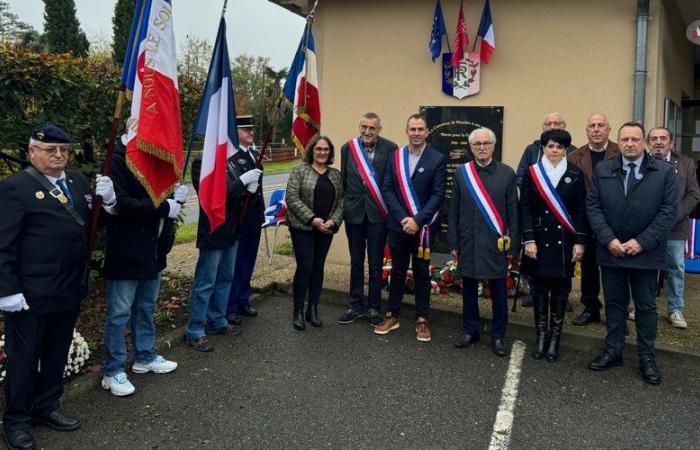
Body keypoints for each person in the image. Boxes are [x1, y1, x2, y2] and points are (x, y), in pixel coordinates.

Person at [0, 125, 116, 450]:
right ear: (32, 151)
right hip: (29, 294)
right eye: (50, 149)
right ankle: (17, 421)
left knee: (55, 353)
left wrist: (107, 203)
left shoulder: (77, 181)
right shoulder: (15, 188)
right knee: (24, 358)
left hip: (68, 287)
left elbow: (90, 225)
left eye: (63, 149)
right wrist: (6, 290)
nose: (59, 155)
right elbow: (3, 244)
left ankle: (46, 406)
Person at [587, 121, 678, 385]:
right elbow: (593, 206)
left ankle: (647, 358)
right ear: (618, 141)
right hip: (612, 251)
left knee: (646, 307)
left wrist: (641, 242)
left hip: (645, 254)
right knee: (614, 304)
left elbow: (668, 212)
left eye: (635, 139)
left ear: (644, 143)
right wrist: (608, 239)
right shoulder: (604, 169)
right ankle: (613, 350)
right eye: (625, 139)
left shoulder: (663, 172)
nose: (630, 144)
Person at [100, 137, 183, 396]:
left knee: (146, 306)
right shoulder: (118, 159)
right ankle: (112, 370)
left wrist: (174, 199)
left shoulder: (155, 155)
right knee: (119, 313)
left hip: (153, 249)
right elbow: (122, 204)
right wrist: (163, 208)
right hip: (128, 250)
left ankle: (145, 356)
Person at [448, 127, 520, 356]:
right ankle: (470, 330)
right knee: (468, 290)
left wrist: (514, 246)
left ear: (493, 146)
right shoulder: (462, 174)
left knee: (499, 293)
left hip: (496, 243)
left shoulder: (507, 173)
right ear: (471, 147)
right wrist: (453, 243)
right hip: (469, 241)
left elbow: (513, 213)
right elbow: (454, 211)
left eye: (486, 143)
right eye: (477, 144)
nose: (481, 147)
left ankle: (498, 336)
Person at [376, 113, 446, 342]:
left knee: (422, 273)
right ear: (406, 132)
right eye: (412, 129)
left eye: (420, 129)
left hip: (423, 229)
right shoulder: (395, 157)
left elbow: (438, 194)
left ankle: (422, 319)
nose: (416, 133)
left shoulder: (437, 159)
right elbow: (387, 189)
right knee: (397, 271)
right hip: (398, 226)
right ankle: (392, 314)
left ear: (427, 132)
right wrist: (404, 218)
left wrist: (417, 220)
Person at [186, 141, 261, 351]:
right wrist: (243, 182)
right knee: (205, 282)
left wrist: (251, 191)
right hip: (213, 230)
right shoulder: (203, 163)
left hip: (232, 229)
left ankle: (216, 320)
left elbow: (238, 195)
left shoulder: (232, 162)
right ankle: (195, 330)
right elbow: (216, 194)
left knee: (225, 278)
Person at [519, 129, 587, 361]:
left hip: (565, 243)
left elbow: (581, 211)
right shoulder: (532, 173)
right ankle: (540, 336)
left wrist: (580, 241)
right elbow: (525, 207)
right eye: (550, 146)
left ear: (566, 149)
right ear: (543, 148)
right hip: (536, 242)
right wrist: (528, 239)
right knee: (538, 291)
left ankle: (554, 340)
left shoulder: (576, 174)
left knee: (560, 291)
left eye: (559, 147)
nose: (555, 150)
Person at [337, 112, 397, 327]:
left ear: (379, 130)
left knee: (374, 263)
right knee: (355, 261)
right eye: (364, 127)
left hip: (377, 215)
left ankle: (373, 307)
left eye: (372, 128)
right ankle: (355, 305)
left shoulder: (391, 148)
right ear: (359, 127)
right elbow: (344, 181)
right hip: (354, 213)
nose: (367, 132)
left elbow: (393, 182)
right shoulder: (348, 148)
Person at [514, 112, 576, 308]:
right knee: (535, 258)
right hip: (538, 216)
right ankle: (535, 292)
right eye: (548, 123)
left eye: (556, 123)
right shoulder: (532, 150)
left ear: (564, 125)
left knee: (562, 259)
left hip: (562, 219)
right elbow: (520, 176)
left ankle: (561, 296)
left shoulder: (572, 151)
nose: (552, 126)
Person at [285, 135, 344, 330]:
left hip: (326, 229)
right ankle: (298, 311)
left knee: (318, 268)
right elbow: (292, 198)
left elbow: (341, 201)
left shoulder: (336, 174)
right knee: (305, 266)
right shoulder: (299, 171)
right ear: (312, 150)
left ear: (330, 153)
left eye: (326, 150)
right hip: (303, 228)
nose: (322, 153)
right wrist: (313, 219)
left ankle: (313, 309)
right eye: (319, 149)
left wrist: (333, 221)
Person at [568, 113, 621, 326]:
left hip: (615, 225)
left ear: (609, 129)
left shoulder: (622, 152)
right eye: (592, 126)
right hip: (587, 223)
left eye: (601, 125)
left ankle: (616, 314)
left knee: (615, 271)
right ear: (586, 130)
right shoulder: (574, 157)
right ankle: (591, 309)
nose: (597, 129)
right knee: (589, 269)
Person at [647, 127, 700, 329]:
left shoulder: (686, 164)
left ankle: (675, 309)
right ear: (648, 142)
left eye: (663, 138)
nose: (658, 142)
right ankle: (642, 306)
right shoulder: (641, 163)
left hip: (674, 227)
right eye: (654, 139)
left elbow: (694, 195)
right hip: (646, 229)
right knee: (645, 268)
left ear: (671, 143)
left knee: (676, 269)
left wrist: (673, 216)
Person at [226, 115, 265, 326]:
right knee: (236, 263)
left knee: (248, 261)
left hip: (254, 217)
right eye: (246, 130)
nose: (251, 132)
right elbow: (230, 190)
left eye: (252, 129)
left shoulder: (254, 154)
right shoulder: (232, 158)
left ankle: (243, 299)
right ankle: (231, 306)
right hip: (239, 218)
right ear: (235, 133)